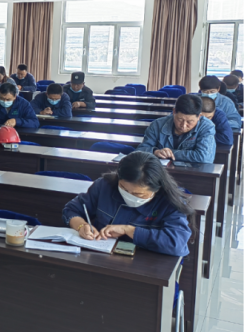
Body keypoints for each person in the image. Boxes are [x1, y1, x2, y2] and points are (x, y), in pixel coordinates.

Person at [62, 151, 192, 257]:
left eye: (138, 194)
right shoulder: (104, 186)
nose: (129, 195)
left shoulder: (170, 202)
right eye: (123, 188)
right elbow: (71, 209)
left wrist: (128, 230)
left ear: (156, 189)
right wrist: (81, 226)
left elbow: (177, 243)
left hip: (146, 267)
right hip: (101, 257)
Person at [137, 94, 216, 163]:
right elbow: (140, 150)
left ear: (199, 117)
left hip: (193, 173)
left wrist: (170, 153)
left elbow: (204, 157)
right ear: (174, 112)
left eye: (189, 122)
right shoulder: (158, 124)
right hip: (160, 171)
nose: (183, 125)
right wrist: (155, 152)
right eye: (180, 119)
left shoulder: (207, 127)